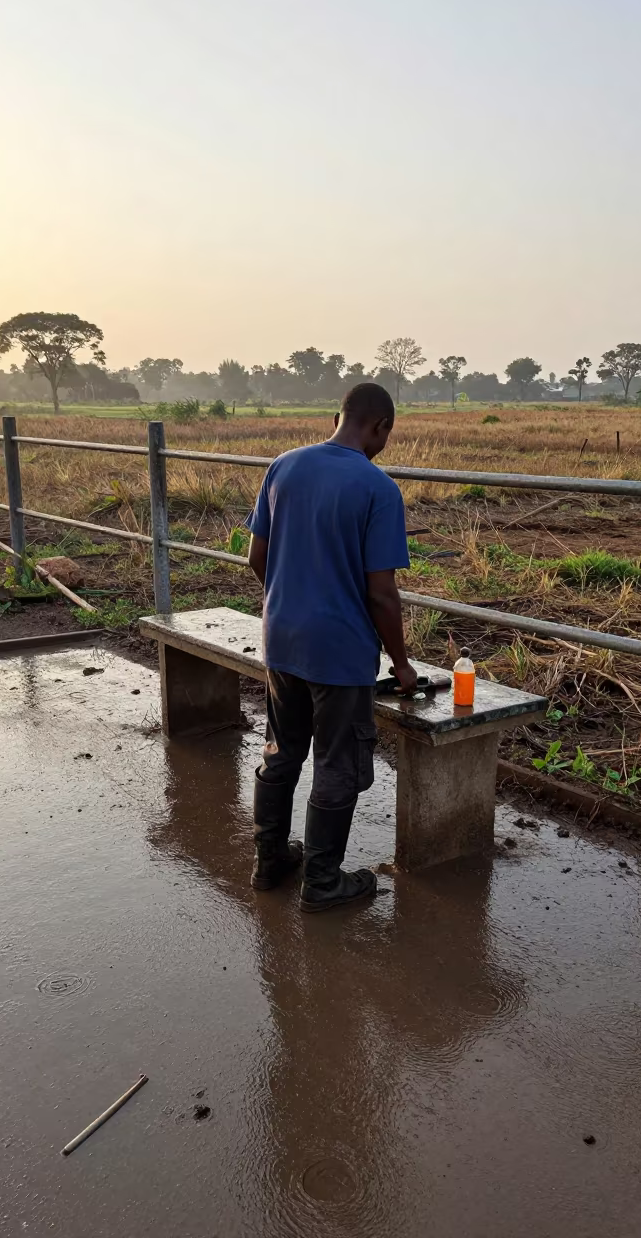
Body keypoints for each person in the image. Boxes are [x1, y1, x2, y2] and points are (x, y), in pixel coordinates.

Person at [246, 381, 417, 912]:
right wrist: (402, 664)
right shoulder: (378, 489)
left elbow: (257, 557)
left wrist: (290, 604)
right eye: (387, 434)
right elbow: (382, 594)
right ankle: (322, 882)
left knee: (281, 751)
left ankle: (269, 861)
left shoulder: (284, 466)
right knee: (337, 766)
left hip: (282, 642)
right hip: (339, 654)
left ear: (336, 415)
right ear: (380, 427)